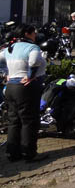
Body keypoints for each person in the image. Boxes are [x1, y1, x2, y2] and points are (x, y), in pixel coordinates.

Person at [0, 24, 48, 162]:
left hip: (10, 88)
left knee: (14, 121)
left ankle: (12, 153)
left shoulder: (10, 48)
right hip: (26, 88)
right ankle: (29, 153)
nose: (35, 35)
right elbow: (34, 61)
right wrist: (30, 75)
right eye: (34, 32)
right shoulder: (33, 47)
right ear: (27, 33)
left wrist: (5, 75)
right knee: (29, 121)